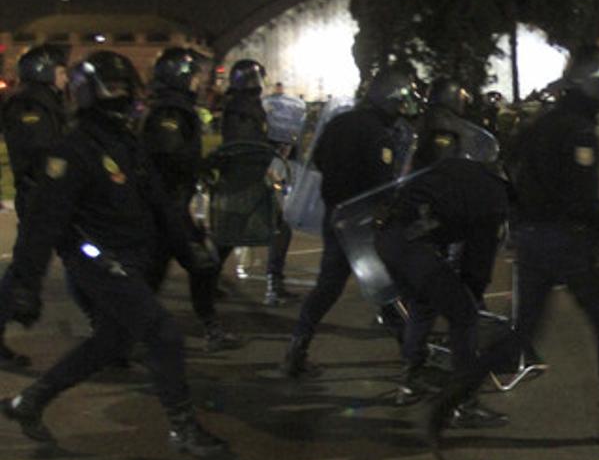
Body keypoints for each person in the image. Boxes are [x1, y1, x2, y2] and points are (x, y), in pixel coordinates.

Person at [427, 45, 599, 445]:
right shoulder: (578, 130)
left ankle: (457, 392)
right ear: (592, 86)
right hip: (567, 240)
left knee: (522, 334)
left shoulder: (540, 123)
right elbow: (582, 199)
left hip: (532, 239)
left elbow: (511, 176)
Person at [0, 51, 226, 456]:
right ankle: (183, 428)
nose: (120, 96)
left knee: (111, 343)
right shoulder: (72, 151)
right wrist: (25, 284)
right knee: (163, 333)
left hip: (131, 257)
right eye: (113, 88)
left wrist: (189, 246)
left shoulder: (126, 142)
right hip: (98, 260)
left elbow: (159, 202)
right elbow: (43, 224)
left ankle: (30, 401)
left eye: (125, 88)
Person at [279, 65, 417, 378]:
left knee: (328, 285)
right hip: (364, 219)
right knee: (386, 286)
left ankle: (297, 348)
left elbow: (318, 160)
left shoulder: (340, 122)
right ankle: (413, 358)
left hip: (336, 214)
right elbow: (382, 182)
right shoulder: (378, 133)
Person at [378, 158, 510, 427]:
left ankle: (411, 379)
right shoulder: (494, 199)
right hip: (413, 247)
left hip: (387, 239)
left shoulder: (463, 169)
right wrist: (470, 294)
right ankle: (464, 403)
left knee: (422, 304)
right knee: (464, 316)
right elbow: (477, 263)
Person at [140, 48, 241, 352]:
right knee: (201, 264)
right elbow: (170, 157)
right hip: (167, 208)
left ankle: (124, 336)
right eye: (195, 76)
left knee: (164, 274)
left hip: (170, 207)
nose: (199, 82)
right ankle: (121, 336)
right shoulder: (171, 112)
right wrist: (202, 166)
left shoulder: (173, 107)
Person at [0, 46, 71, 367]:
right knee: (25, 269)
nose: (66, 76)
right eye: (61, 70)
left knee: (82, 262)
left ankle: (114, 333)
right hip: (41, 197)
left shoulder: (45, 101)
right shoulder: (30, 104)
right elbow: (41, 152)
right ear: (44, 71)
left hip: (51, 195)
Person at [218, 59, 295, 305]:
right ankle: (274, 287)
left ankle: (207, 280)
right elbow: (243, 144)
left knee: (232, 235)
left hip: (247, 178)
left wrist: (273, 148)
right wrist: (268, 154)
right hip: (246, 180)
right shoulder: (242, 107)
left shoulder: (244, 105)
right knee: (274, 230)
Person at [411, 78, 476, 170]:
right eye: (461, 96)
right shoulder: (445, 123)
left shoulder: (428, 115)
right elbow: (443, 159)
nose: (463, 101)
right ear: (451, 96)